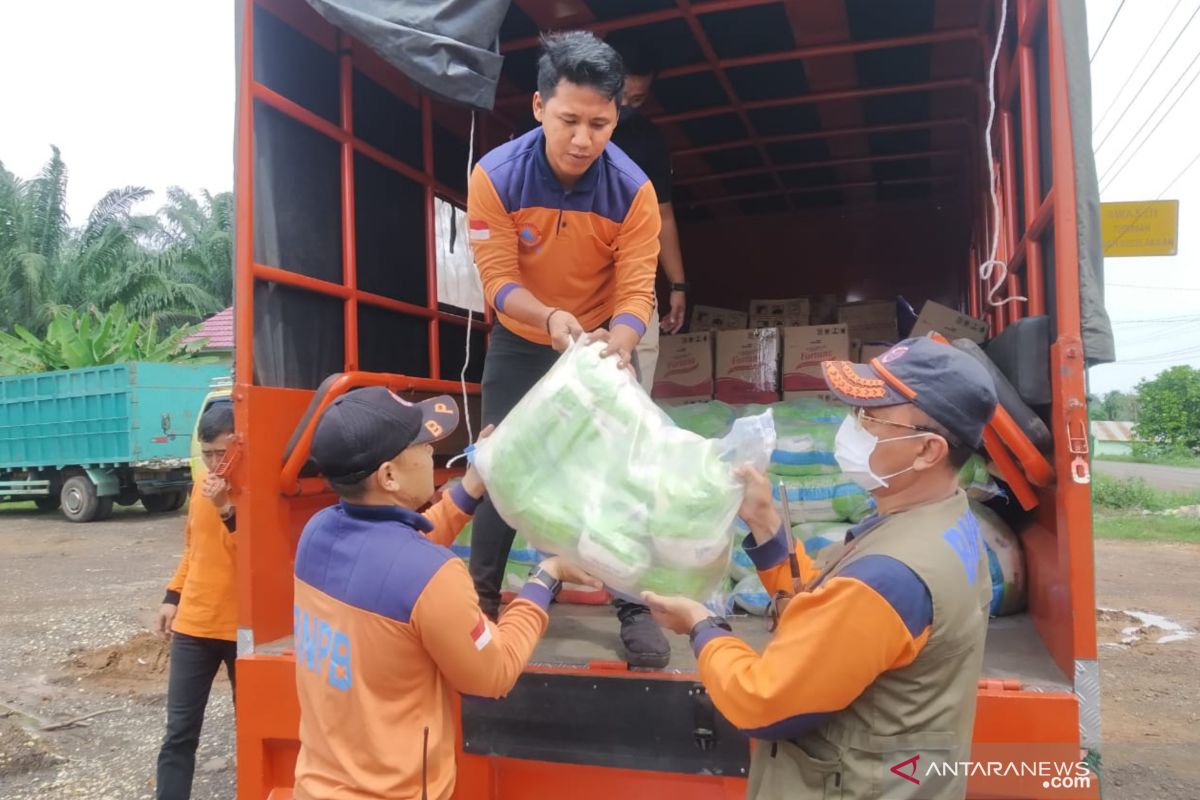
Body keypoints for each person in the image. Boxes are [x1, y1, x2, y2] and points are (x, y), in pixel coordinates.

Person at [643, 337, 999, 799]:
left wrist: (701, 625)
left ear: (928, 451)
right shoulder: (945, 522)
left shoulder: (889, 576)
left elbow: (762, 703)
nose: (851, 427)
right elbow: (831, 613)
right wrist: (769, 528)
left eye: (869, 417)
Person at [467, 30, 672, 668]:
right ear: (538, 107)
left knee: (615, 473)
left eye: (600, 123)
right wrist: (550, 316)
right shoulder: (494, 177)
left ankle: (632, 605)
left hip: (603, 344)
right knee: (500, 462)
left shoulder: (634, 192)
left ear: (617, 117)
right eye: (569, 120)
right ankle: (479, 601)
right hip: (525, 339)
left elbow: (638, 291)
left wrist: (620, 342)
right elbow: (498, 282)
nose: (584, 139)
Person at [291, 388, 597, 800]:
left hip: (314, 786)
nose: (432, 449)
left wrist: (472, 485)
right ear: (388, 476)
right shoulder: (433, 578)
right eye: (420, 444)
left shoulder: (316, 534)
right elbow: (494, 674)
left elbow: (400, 547)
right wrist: (546, 577)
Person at [154, 401, 238, 800]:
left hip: (245, 631)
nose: (214, 462)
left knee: (252, 729)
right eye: (207, 454)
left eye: (222, 452)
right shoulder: (200, 484)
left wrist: (226, 508)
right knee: (179, 733)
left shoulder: (256, 485)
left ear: (240, 444)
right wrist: (173, 596)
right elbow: (193, 547)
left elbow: (257, 557)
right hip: (194, 625)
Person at [609, 37, 690, 392]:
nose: (625, 106)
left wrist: (677, 285)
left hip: (633, 274)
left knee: (639, 368)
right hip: (577, 271)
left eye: (637, 100)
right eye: (620, 95)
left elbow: (664, 216)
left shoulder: (649, 140)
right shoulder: (570, 132)